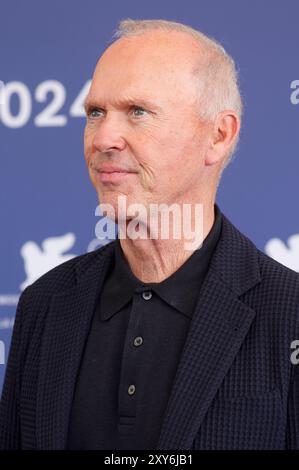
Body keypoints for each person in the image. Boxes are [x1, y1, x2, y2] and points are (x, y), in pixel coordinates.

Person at [1, 18, 299, 450]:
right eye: (95, 113)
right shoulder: (45, 305)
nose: (103, 137)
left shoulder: (288, 312)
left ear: (219, 135)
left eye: (138, 112)